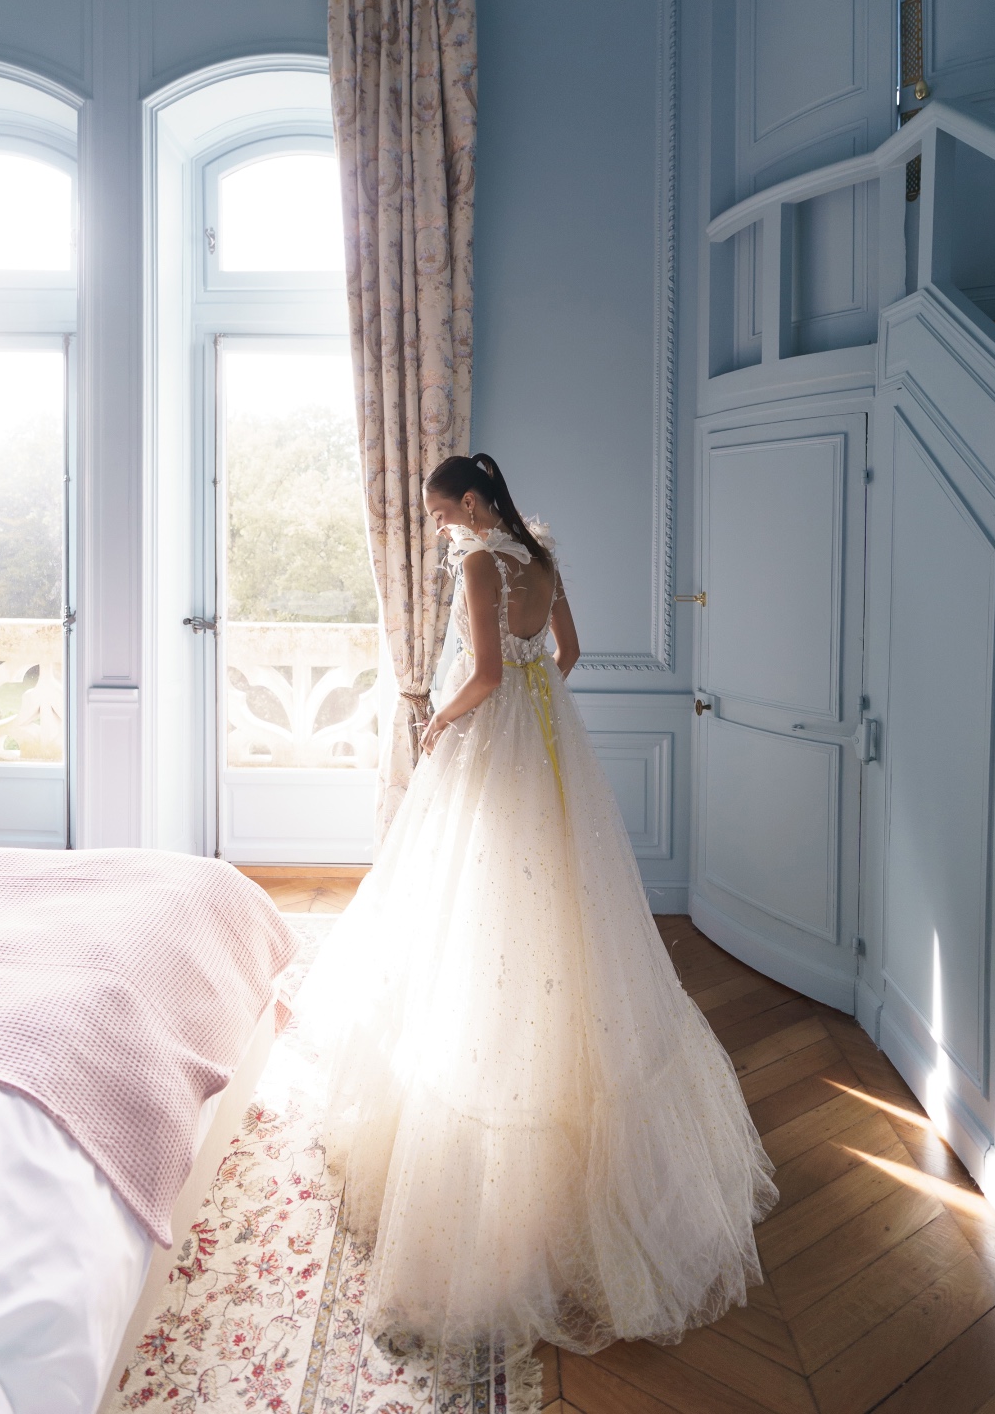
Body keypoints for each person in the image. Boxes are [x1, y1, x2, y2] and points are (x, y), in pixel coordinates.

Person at [299, 452, 778, 1392]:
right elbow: (570, 653)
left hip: (498, 745)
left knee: (477, 908)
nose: (441, 531)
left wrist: (443, 723)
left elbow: (479, 672)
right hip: (554, 746)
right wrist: (537, 695)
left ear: (472, 502)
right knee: (563, 902)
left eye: (442, 516)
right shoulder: (543, 555)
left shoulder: (482, 561)